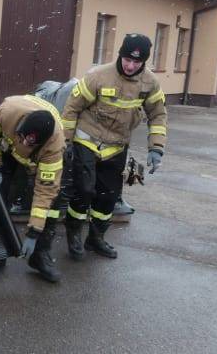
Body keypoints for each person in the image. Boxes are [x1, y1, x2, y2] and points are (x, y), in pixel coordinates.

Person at [61, 33, 168, 260]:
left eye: (136, 62)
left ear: (144, 62)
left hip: (117, 146)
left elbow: (158, 115)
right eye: (127, 59)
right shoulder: (98, 76)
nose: (130, 65)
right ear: (120, 55)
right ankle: (74, 235)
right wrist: (65, 142)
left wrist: (156, 148)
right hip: (86, 141)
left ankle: (96, 238)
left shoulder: (149, 83)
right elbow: (71, 108)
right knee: (84, 191)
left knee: (108, 197)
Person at [0, 95, 66, 283]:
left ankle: (40, 254)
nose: (25, 144)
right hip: (7, 151)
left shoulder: (53, 146)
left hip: (37, 161)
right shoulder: (6, 113)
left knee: (52, 203)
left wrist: (34, 232)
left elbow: (45, 191)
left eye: (31, 142)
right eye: (23, 138)